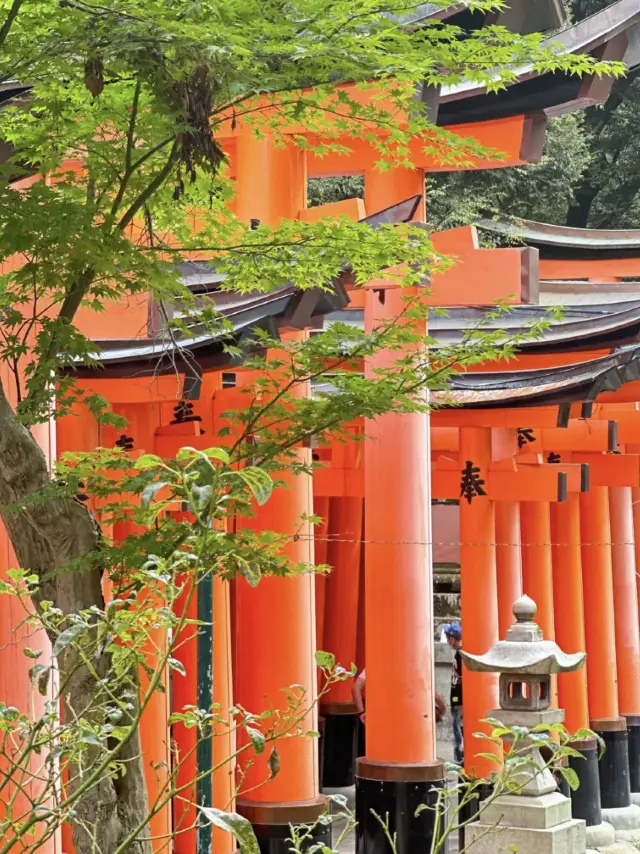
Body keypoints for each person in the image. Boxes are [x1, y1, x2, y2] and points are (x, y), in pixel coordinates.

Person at [352, 668, 446, 727]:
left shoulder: (375, 663)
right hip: (411, 721)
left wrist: (362, 712)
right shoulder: (417, 666)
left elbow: (356, 687)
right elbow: (436, 696)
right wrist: (442, 710)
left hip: (379, 719)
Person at [443, 622, 463, 764]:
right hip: (457, 698)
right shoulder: (459, 654)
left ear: (452, 638)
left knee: (458, 729)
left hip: (459, 699)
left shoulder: (461, 655)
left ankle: (460, 757)